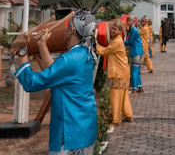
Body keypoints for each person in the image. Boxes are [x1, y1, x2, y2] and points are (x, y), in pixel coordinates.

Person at [14, 10, 97, 154]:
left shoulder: (69, 60)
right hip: (84, 128)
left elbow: (31, 83)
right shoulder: (87, 53)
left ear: (71, 30)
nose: (64, 29)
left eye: (66, 27)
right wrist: (42, 44)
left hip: (69, 133)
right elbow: (57, 72)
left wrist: (21, 50)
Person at [95, 20, 133, 125]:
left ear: (120, 31)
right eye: (112, 28)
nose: (112, 30)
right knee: (124, 95)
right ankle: (128, 115)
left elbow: (104, 51)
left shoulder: (116, 42)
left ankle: (116, 119)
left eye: (115, 29)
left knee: (115, 96)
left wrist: (95, 43)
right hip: (124, 72)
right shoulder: (117, 40)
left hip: (119, 73)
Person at [125, 15, 144, 94]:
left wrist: (120, 43)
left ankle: (134, 90)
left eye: (129, 20)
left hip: (136, 52)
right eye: (127, 20)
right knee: (137, 70)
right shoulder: (133, 30)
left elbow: (130, 41)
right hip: (138, 52)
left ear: (133, 21)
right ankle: (139, 86)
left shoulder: (134, 30)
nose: (128, 22)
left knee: (134, 70)